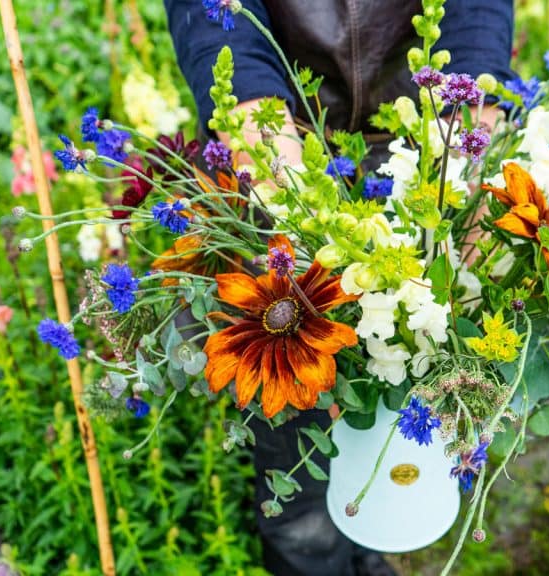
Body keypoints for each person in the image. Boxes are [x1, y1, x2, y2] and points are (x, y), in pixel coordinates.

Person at [163, 2, 514, 574]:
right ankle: (307, 550)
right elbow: (216, 17)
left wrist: (466, 141)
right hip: (282, 152)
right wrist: (267, 149)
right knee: (296, 395)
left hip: (415, 148)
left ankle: (368, 543)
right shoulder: (276, 159)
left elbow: (475, 11)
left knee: (406, 396)